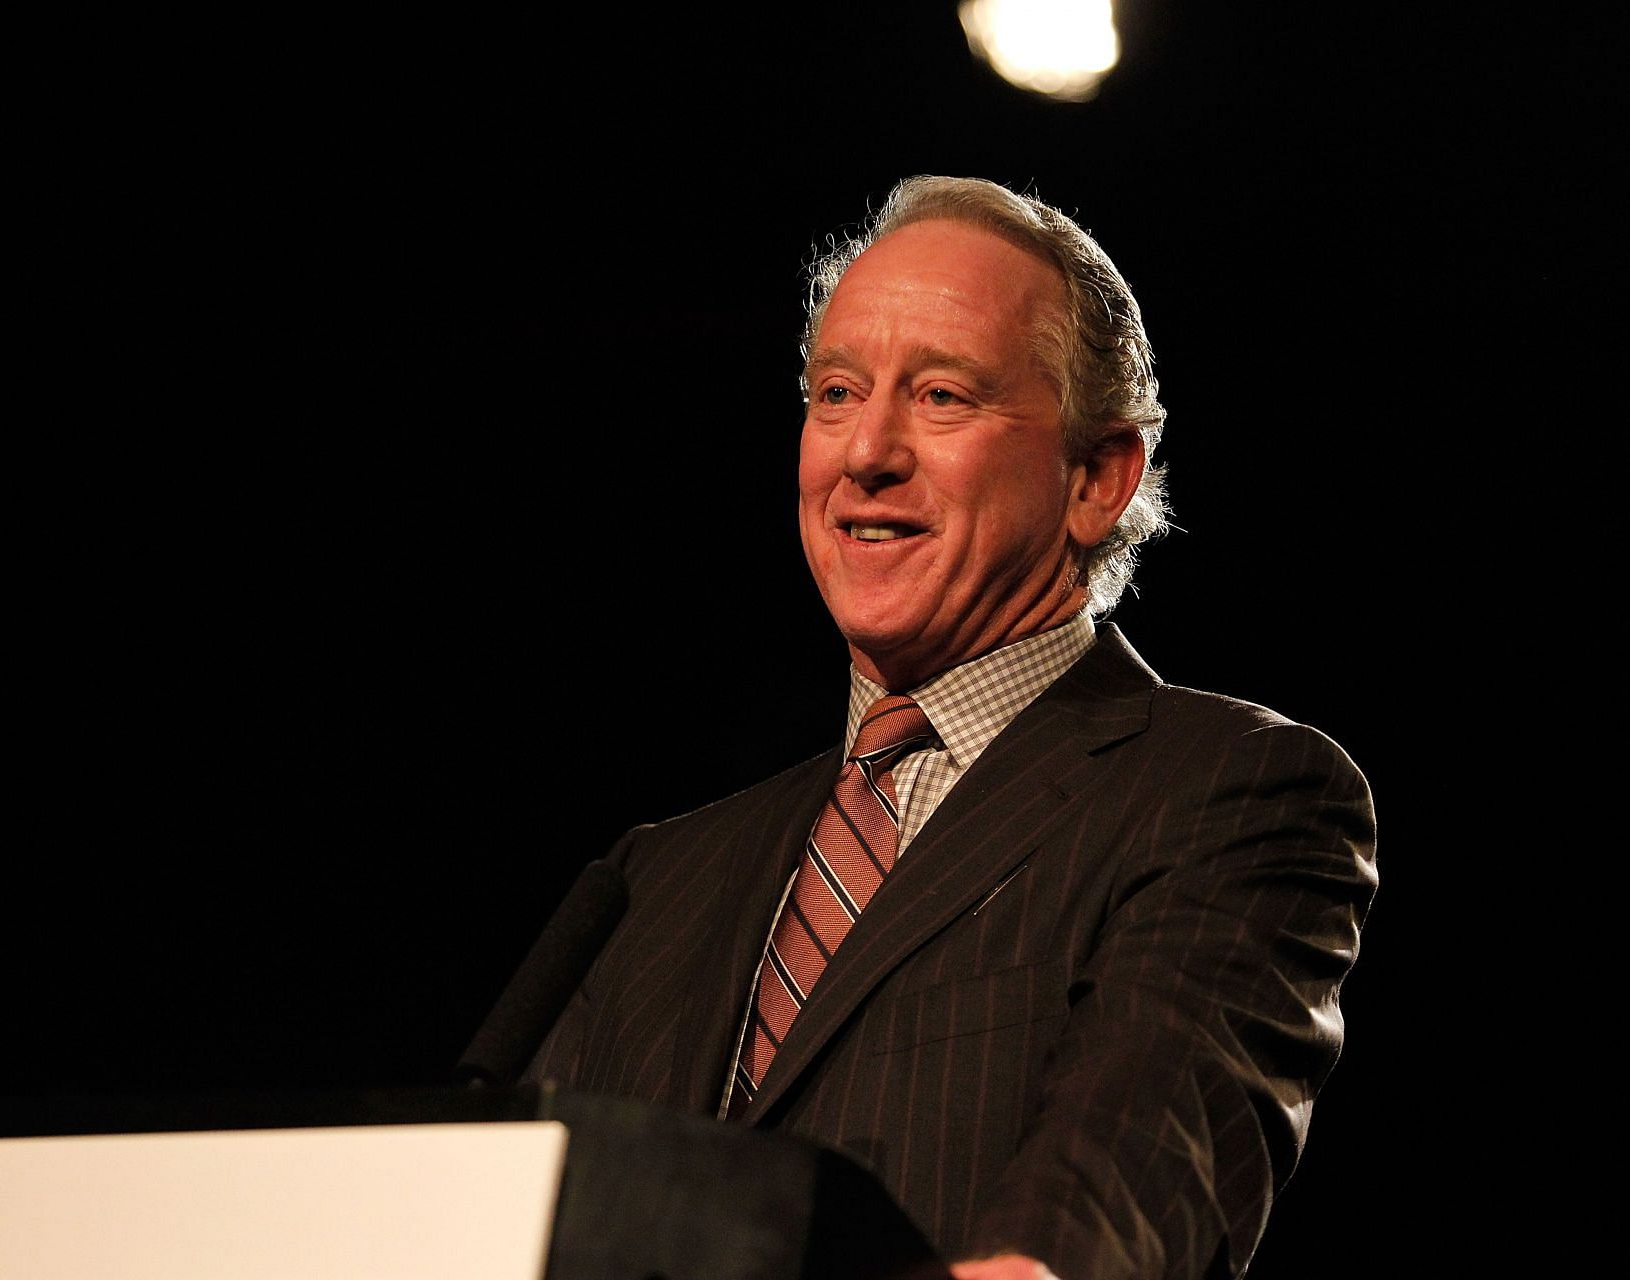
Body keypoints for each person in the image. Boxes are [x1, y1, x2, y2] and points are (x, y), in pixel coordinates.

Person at [526, 175, 1378, 1280]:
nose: (865, 450)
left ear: (1099, 477)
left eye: (942, 396)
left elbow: (1102, 1219)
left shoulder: (1227, 793)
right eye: (835, 392)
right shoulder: (659, 875)